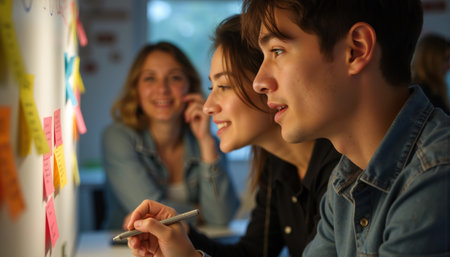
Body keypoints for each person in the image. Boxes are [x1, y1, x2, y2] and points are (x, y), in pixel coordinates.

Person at [240, 0, 449, 256]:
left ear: (356, 50)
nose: (259, 83)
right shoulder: (345, 178)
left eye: (277, 51)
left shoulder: (435, 174)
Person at [126, 14, 340, 257]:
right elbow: (251, 253)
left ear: (265, 84)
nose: (208, 106)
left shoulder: (339, 169)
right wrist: (182, 231)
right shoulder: (276, 166)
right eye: (211, 88)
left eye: (224, 87)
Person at [101, 41, 239, 230]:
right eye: (150, 78)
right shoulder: (117, 137)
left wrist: (206, 141)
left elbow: (221, 217)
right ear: (136, 88)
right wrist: (202, 213)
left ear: (189, 86)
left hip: (191, 246)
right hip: (129, 249)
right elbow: (150, 213)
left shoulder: (208, 141)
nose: (162, 89)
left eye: (174, 78)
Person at [411, 33, 450, 114]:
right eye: (445, 59)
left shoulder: (431, 90)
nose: (449, 65)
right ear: (431, 60)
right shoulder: (423, 93)